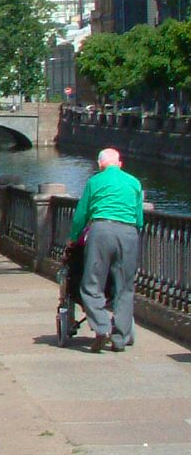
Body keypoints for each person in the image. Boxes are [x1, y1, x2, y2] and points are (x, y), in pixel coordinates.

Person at [69, 147, 143, 353]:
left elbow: (81, 215)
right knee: (125, 287)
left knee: (92, 284)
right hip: (128, 233)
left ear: (100, 164)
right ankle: (119, 339)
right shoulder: (134, 182)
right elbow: (139, 218)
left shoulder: (95, 182)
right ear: (120, 164)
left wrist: (73, 239)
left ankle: (102, 328)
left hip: (101, 231)